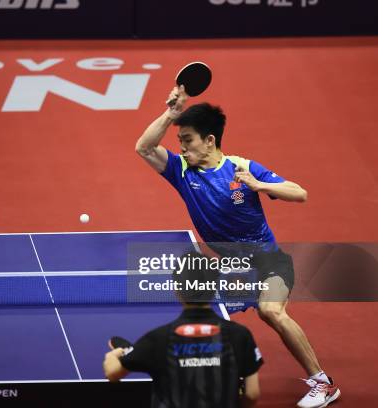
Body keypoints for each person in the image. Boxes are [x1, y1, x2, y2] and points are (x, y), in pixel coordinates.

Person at [133, 85, 340, 408]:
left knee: (271, 311)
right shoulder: (182, 171)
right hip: (230, 269)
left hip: (270, 262)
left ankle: (322, 383)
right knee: (199, 310)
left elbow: (300, 193)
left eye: (188, 140)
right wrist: (172, 113)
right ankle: (217, 379)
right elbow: (144, 148)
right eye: (180, 142)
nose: (182, 148)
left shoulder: (241, 168)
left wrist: (261, 185)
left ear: (210, 140)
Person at [103, 252, 263, 408]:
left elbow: (112, 373)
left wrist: (118, 353)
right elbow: (252, 394)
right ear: (214, 288)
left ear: (177, 289)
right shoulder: (240, 335)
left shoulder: (158, 339)